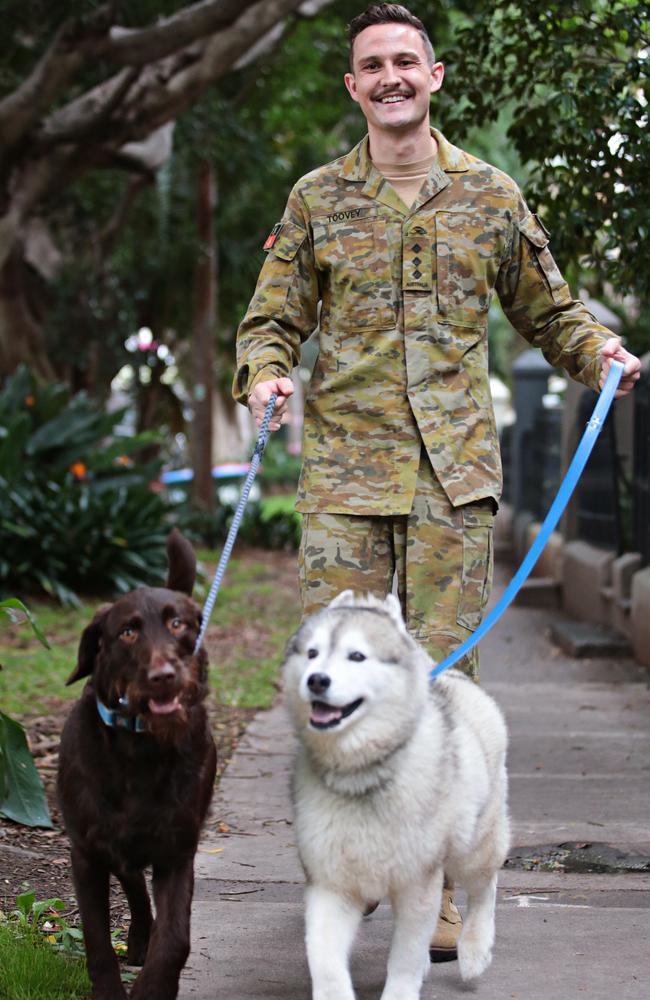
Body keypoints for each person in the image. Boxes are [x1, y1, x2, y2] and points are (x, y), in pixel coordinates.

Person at [233, 2, 641, 963]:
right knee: (335, 692)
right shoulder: (315, 201)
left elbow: (553, 314)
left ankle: (448, 890)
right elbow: (270, 321)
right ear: (353, 86)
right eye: (372, 64)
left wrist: (602, 355)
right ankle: (346, 874)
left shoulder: (491, 196)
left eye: (405, 61)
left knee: (448, 689)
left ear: (435, 75)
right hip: (343, 482)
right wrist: (267, 374)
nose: (390, 77)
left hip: (452, 484)